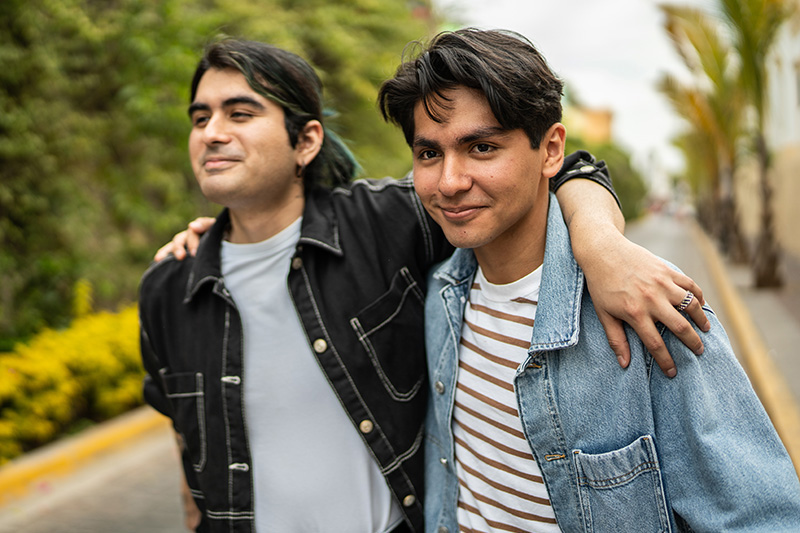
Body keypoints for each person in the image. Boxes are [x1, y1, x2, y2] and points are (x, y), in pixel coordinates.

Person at [140, 38, 709, 533]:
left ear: (306, 141)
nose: (212, 133)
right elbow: (186, 435)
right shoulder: (169, 287)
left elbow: (557, 171)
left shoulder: (388, 224)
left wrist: (602, 245)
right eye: (199, 118)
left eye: (239, 114)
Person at [377, 28, 800, 532]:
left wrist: (598, 236)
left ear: (551, 150)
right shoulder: (441, 295)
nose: (449, 181)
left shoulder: (648, 307)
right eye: (429, 154)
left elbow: (760, 518)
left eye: (482, 147)